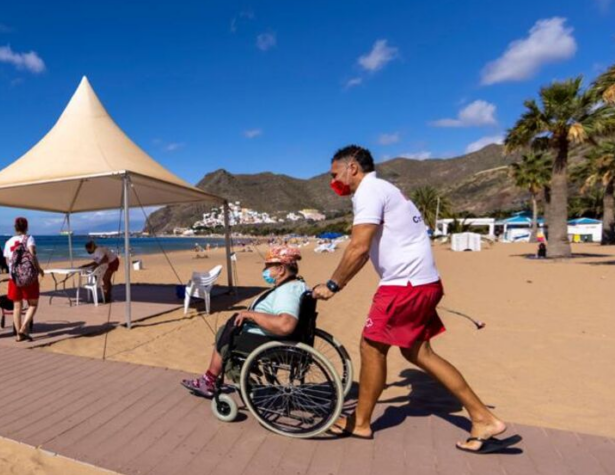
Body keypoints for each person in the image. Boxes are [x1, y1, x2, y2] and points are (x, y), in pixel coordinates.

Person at [311, 145, 510, 453]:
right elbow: (369, 248)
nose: (333, 181)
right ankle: (483, 418)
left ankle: (361, 422)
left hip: (404, 286)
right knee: (419, 353)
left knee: (372, 347)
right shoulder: (386, 189)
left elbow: (358, 247)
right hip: (422, 282)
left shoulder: (368, 192)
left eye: (334, 174)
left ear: (352, 168)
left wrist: (333, 285)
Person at [181, 246, 306, 397]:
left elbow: (285, 325)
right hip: (269, 336)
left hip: (266, 340)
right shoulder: (296, 285)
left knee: (225, 334)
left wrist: (252, 315)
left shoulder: (287, 291)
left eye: (268, 266)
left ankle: (209, 380)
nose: (265, 270)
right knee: (228, 329)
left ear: (280, 269)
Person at [3, 217, 44, 341]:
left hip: (14, 277)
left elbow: (7, 261)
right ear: (26, 227)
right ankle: (23, 329)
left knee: (17, 306)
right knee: (33, 304)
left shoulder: (8, 242)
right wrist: (39, 269)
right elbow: (32, 255)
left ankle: (18, 335)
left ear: (15, 227)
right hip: (29, 276)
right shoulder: (29, 239)